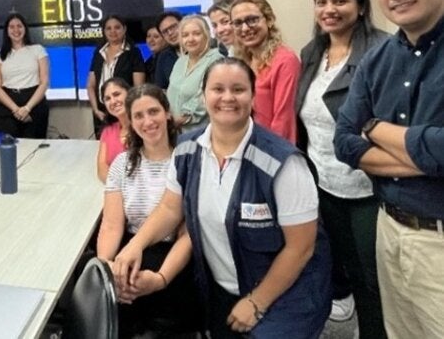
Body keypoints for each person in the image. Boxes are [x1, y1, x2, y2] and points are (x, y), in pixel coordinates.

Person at [114, 58, 331, 338]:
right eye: (218, 89)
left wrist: (258, 301)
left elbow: (300, 248)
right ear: (204, 95)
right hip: (223, 288)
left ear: (252, 96)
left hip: (286, 296)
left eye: (238, 89)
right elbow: (170, 208)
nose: (227, 97)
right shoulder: (186, 149)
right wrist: (136, 244)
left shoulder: (283, 163)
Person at [334, 0, 444, 339]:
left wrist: (375, 127)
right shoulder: (378, 59)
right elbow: (344, 141)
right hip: (390, 228)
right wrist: (425, 157)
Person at [296, 0, 388, 337]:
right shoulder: (313, 52)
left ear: (361, 5)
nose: (329, 9)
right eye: (322, 2)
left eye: (340, 1)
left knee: (372, 277)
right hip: (324, 182)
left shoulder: (382, 51)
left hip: (368, 187)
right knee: (340, 265)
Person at [96, 83, 196, 337]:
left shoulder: (187, 162)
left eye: (153, 112)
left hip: (172, 258)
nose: (147, 121)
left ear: (167, 113)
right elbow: (111, 225)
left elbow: (187, 236)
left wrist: (160, 279)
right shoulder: (121, 164)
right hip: (129, 254)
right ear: (129, 122)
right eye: (138, 115)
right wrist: (108, 269)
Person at [230, 0, 300, 143]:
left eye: (252, 20)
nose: (245, 28)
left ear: (269, 20)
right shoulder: (243, 61)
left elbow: (283, 120)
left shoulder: (285, 60)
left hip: (271, 148)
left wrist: (269, 156)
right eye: (238, 23)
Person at [0, 13, 50, 139]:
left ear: (25, 29)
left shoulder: (38, 50)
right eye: (12, 27)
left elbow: (44, 82)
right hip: (7, 104)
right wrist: (15, 109)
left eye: (19, 26)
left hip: (34, 101)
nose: (16, 30)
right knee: (8, 147)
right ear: (7, 31)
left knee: (34, 147)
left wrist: (27, 108)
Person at [86, 15, 145, 137]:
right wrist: (96, 109)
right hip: (101, 113)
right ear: (104, 31)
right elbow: (91, 85)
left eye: (117, 27)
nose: (113, 31)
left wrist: (130, 111)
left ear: (124, 29)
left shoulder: (133, 52)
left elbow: (138, 88)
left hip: (125, 111)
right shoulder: (98, 52)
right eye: (108, 28)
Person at [167, 15, 224, 132]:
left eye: (196, 34)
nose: (190, 39)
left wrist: (179, 120)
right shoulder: (181, 61)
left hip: (201, 131)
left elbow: (205, 97)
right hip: (176, 132)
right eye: (185, 35)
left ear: (206, 35)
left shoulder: (216, 60)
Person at [96, 77, 131, 183]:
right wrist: (115, 188)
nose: (113, 101)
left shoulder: (143, 127)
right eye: (107, 98)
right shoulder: (108, 131)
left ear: (129, 94)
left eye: (116, 94)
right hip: (115, 191)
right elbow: (102, 166)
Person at [153, 11, 182, 89]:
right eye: (165, 31)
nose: (170, 33)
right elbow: (161, 89)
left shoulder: (199, 48)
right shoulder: (163, 57)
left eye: (173, 27)